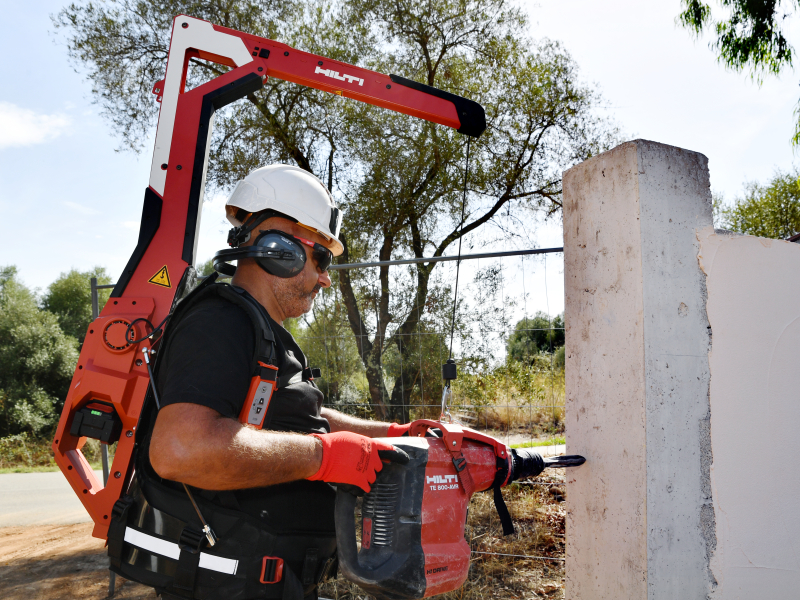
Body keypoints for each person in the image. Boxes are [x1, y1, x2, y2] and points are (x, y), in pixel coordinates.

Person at [117, 165, 410, 600]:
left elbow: (304, 422)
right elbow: (180, 449)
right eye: (321, 258)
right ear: (279, 248)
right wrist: (323, 457)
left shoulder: (259, 332)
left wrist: (396, 434)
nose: (326, 278)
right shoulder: (220, 322)